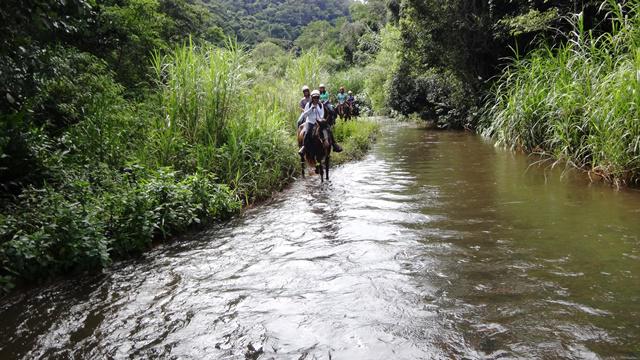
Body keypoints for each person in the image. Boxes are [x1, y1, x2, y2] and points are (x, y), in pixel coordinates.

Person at [297, 90, 342, 154]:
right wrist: (311, 109)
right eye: (314, 97)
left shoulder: (321, 105)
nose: (316, 99)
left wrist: (320, 120)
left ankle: (334, 144)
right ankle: (304, 146)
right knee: (307, 132)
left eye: (317, 97)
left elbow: (322, 114)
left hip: (319, 122)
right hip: (310, 121)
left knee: (328, 129)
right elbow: (305, 114)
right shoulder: (308, 105)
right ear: (312, 98)